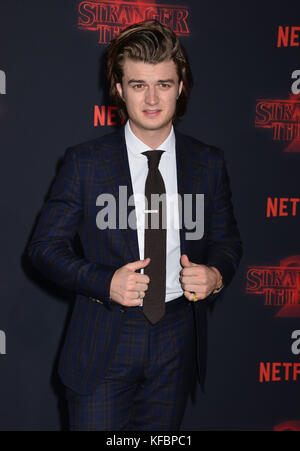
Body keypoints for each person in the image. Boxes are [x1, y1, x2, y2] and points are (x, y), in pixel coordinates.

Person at [27, 20, 242, 431]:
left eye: (163, 83)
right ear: (119, 89)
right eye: (138, 84)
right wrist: (104, 281)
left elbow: (227, 241)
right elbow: (43, 248)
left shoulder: (208, 162)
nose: (151, 98)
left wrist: (216, 274)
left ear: (180, 88)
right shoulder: (85, 163)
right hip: (105, 336)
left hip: (178, 337)